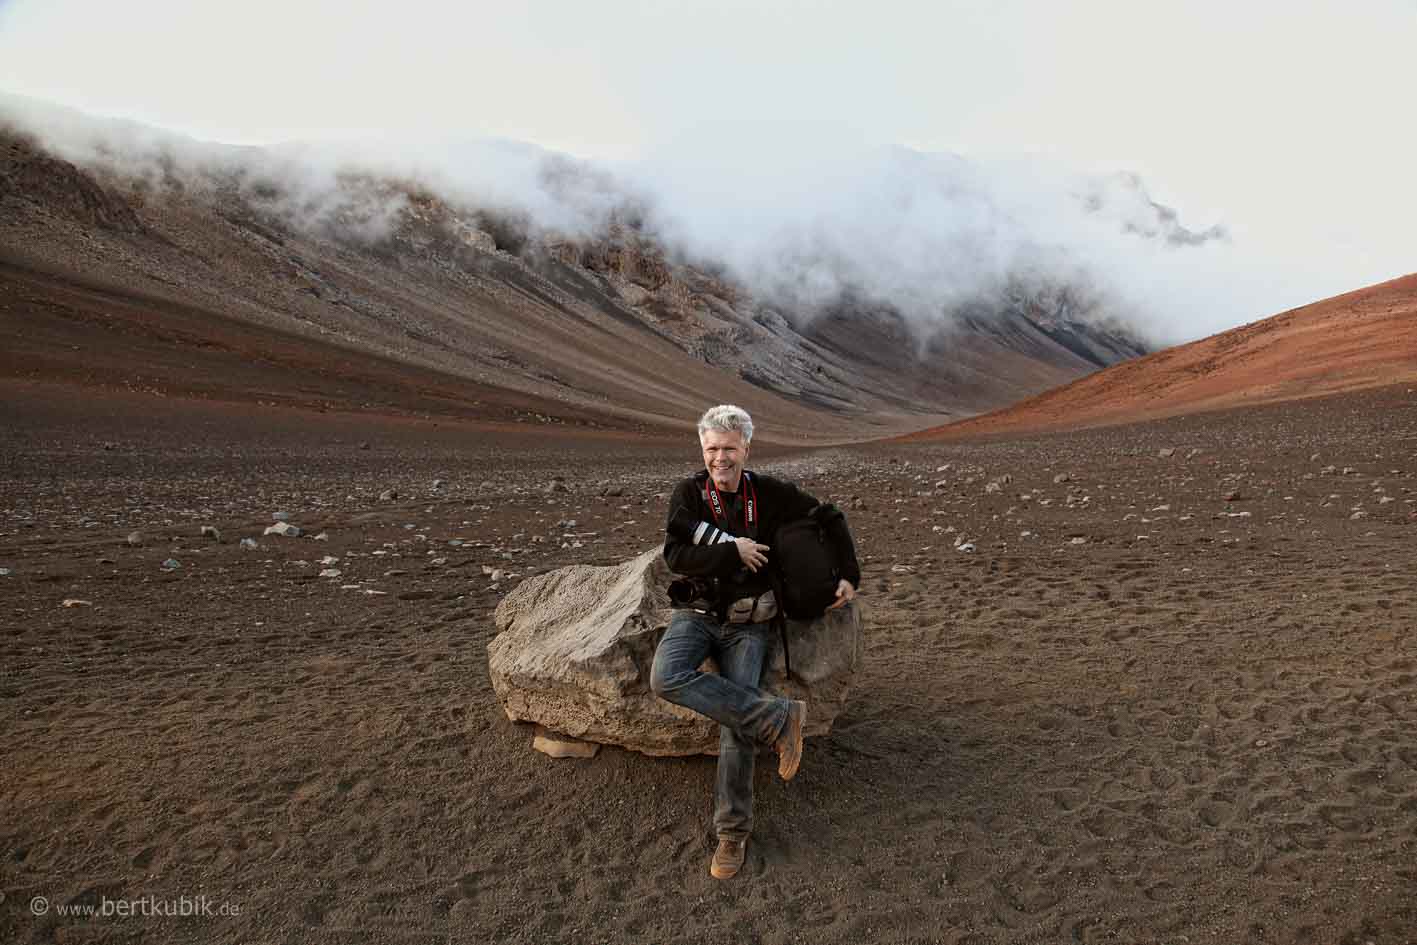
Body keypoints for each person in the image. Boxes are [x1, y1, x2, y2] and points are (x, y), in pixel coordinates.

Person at [652, 404, 859, 880]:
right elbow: (674, 554)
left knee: (736, 726)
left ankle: (732, 834)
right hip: (698, 617)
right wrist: (733, 551)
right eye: (711, 449)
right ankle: (780, 718)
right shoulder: (688, 493)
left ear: (746, 447)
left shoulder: (767, 493)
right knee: (665, 676)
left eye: (728, 448)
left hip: (750, 626)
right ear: (701, 449)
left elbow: (828, 515)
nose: (719, 458)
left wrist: (849, 574)